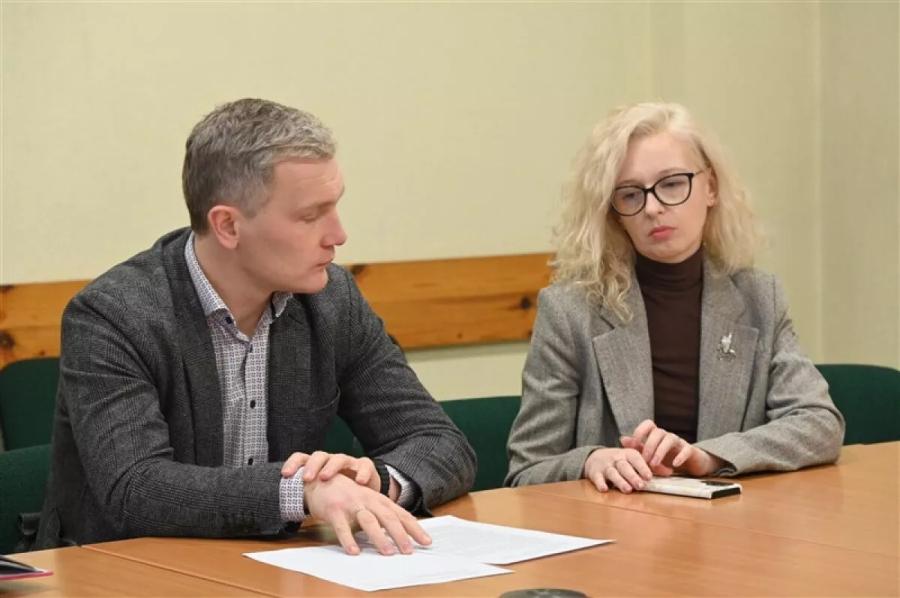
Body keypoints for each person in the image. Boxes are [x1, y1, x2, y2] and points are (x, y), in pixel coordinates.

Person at [36, 98, 476, 554]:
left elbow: (438, 441)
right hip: (126, 569)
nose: (338, 235)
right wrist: (300, 492)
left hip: (275, 567)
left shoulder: (332, 300)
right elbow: (136, 487)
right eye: (310, 216)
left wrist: (374, 481)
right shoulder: (114, 314)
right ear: (228, 225)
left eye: (335, 207)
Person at [506, 102, 844, 492]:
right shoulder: (570, 311)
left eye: (671, 184)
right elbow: (526, 470)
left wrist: (709, 457)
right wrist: (590, 460)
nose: (652, 208)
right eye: (630, 194)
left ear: (711, 187)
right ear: (614, 213)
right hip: (618, 522)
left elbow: (819, 424)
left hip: (733, 520)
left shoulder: (758, 298)